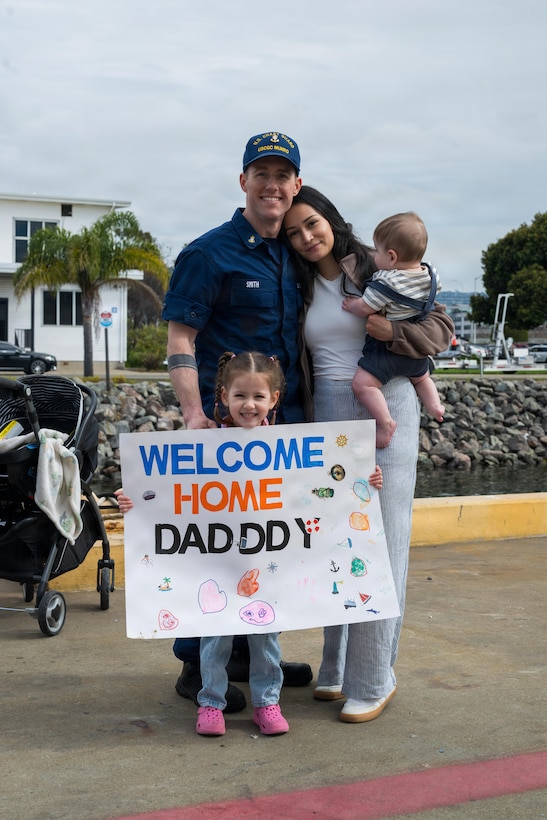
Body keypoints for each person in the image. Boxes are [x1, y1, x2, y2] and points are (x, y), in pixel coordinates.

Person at [115, 349, 383, 736]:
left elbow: (328, 486)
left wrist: (364, 480)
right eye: (240, 395)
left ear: (274, 400)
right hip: (217, 565)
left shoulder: (292, 445)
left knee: (267, 640)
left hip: (267, 565)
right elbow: (166, 491)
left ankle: (267, 703)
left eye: (258, 396)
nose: (249, 404)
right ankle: (210, 704)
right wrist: (133, 499)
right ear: (223, 396)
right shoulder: (201, 444)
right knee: (214, 639)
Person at [283, 185, 454, 723]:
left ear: (330, 220)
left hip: (387, 408)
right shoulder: (298, 283)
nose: (306, 237)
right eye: (293, 232)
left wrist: (395, 330)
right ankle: (334, 668)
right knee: (336, 541)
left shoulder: (379, 270)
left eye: (312, 223)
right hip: (327, 414)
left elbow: (441, 329)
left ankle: (374, 676)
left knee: (382, 541)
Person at [161, 131, 312, 714]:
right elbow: (180, 336)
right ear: (243, 181)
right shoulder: (209, 252)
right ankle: (197, 664)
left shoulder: (292, 253)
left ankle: (252, 654)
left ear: (296, 185)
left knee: (266, 540)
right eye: (261, 174)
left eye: (283, 176)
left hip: (278, 425)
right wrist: (195, 413)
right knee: (216, 542)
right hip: (224, 427)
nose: (272, 185)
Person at [342, 211, 445, 447]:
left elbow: (366, 307)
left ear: (391, 257)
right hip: (416, 353)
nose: (373, 256)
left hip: (387, 352)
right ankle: (435, 406)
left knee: (363, 385)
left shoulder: (386, 282)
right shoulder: (431, 276)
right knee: (422, 378)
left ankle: (385, 421)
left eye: (377, 251)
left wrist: (352, 305)